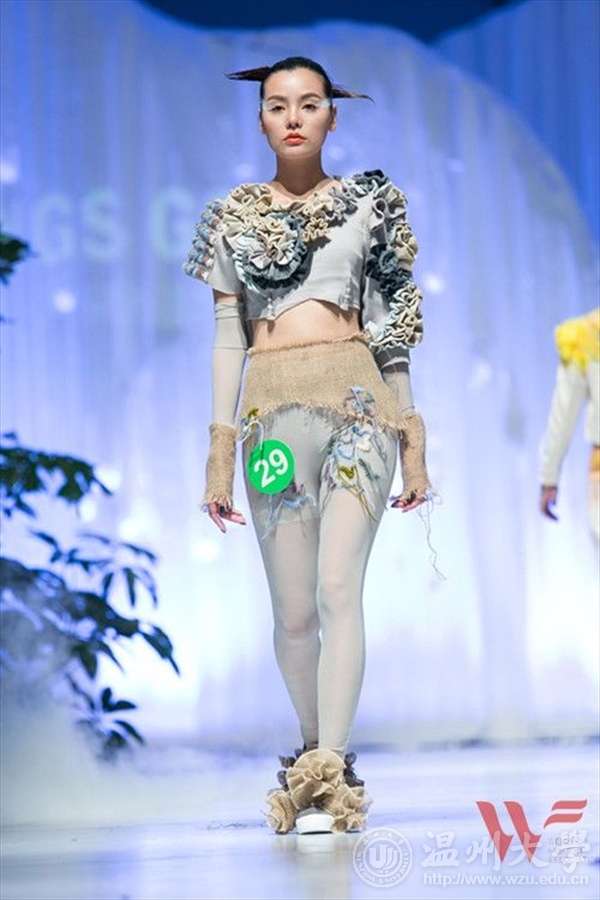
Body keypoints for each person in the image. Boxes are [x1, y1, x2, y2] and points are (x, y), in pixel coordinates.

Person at [184, 56, 431, 834]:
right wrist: (219, 450)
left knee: (336, 589)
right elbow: (228, 336)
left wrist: (413, 436)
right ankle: (316, 755)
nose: (294, 116)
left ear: (333, 116)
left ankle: (329, 761)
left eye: (310, 103)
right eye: (278, 105)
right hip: (269, 420)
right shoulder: (229, 214)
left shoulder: (371, 205)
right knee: (294, 615)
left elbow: (391, 328)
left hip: (359, 403)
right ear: (260, 119)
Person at [539, 307, 599, 541]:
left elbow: (563, 412)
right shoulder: (585, 336)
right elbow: (563, 412)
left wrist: (549, 478)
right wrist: (549, 475)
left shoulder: (586, 334)